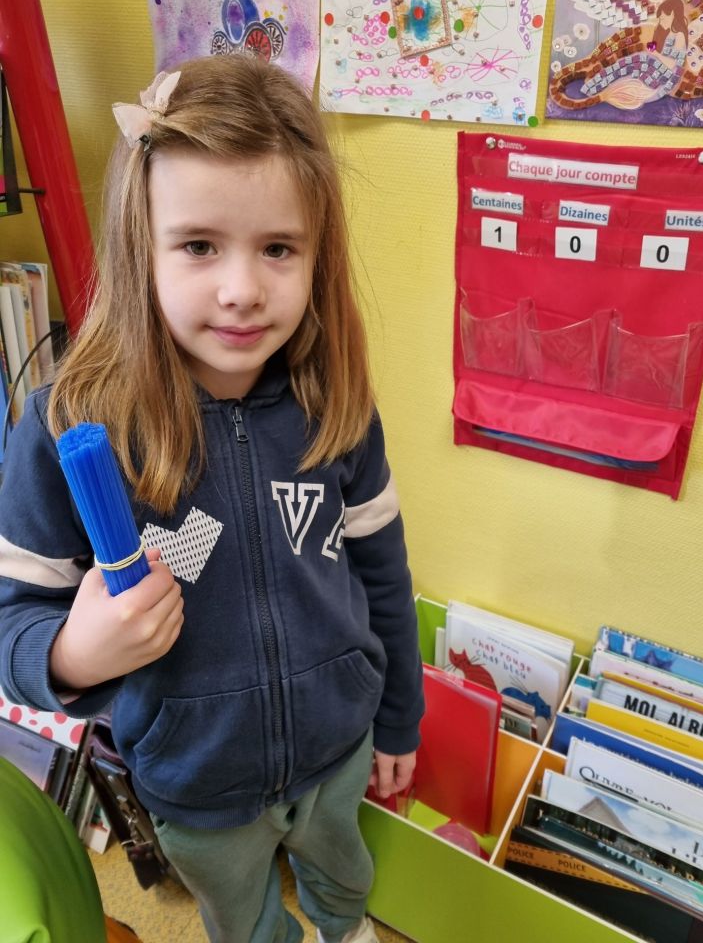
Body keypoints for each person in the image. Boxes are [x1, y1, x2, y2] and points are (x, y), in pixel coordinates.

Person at [0, 53, 424, 943]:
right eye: (198, 246)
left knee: (345, 874)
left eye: (278, 248)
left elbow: (383, 577)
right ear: (141, 247)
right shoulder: (69, 426)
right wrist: (76, 652)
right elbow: (11, 621)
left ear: (316, 255)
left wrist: (398, 719)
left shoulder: (337, 404)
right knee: (242, 918)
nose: (241, 290)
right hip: (193, 778)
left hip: (338, 747)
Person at [579, 0, 689, 109]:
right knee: (632, 61)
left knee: (636, 61)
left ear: (672, 14)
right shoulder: (671, 33)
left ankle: (595, 87)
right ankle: (595, 84)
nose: (660, 22)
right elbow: (666, 55)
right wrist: (654, 51)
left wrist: (655, 54)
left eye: (662, 19)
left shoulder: (679, 35)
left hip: (666, 77)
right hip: (661, 69)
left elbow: (672, 64)